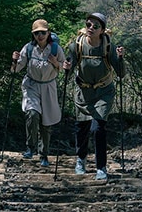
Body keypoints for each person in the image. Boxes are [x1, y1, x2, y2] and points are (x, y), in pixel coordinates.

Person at [62, 12, 125, 181]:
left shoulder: (108, 46)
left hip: (104, 92)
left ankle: (101, 167)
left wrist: (120, 59)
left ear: (102, 30)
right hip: (83, 92)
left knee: (97, 128)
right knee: (81, 129)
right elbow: (70, 68)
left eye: (95, 26)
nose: (91, 28)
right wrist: (66, 67)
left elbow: (120, 73)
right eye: (89, 24)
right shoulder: (77, 45)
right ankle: (80, 160)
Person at [11, 19, 66, 167]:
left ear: (48, 33)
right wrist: (15, 61)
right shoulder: (28, 48)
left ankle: (44, 154)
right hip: (31, 85)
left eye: (43, 32)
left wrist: (56, 63)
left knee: (46, 123)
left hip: (49, 87)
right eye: (36, 33)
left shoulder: (56, 49)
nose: (40, 35)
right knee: (32, 113)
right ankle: (30, 147)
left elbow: (64, 67)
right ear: (33, 35)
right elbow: (17, 69)